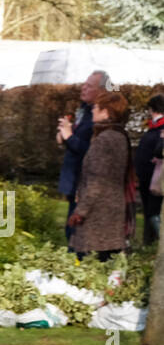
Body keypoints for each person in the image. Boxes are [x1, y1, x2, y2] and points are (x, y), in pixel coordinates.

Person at [68, 91, 134, 261]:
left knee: (91, 263)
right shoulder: (119, 136)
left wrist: (80, 211)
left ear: (106, 112)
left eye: (96, 108)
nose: (92, 111)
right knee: (106, 260)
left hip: (98, 213)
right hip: (111, 208)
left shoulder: (104, 139)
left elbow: (97, 179)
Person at [57, 70, 109, 240]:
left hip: (85, 180)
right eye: (84, 84)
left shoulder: (100, 116)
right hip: (74, 177)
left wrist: (69, 136)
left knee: (76, 230)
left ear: (101, 91)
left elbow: (92, 151)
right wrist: (64, 135)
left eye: (89, 86)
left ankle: (79, 260)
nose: (83, 88)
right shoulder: (85, 110)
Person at [133, 92, 164, 246]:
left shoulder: (160, 128)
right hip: (148, 177)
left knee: (152, 213)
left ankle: (152, 244)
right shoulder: (155, 128)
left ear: (153, 109)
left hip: (154, 178)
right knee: (149, 212)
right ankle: (149, 244)